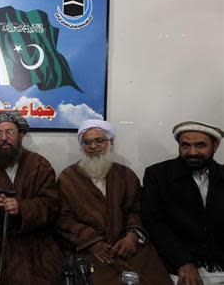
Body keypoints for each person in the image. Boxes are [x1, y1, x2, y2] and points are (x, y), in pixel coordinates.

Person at [56, 119, 172, 285]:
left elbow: (137, 209)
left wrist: (132, 235)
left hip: (127, 245)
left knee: (151, 276)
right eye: (87, 142)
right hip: (89, 247)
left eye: (99, 140)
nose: (93, 146)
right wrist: (92, 242)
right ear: (82, 147)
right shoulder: (68, 177)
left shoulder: (126, 175)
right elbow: (63, 218)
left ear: (111, 143)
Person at [0, 111, 65, 285]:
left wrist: (21, 208)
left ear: (21, 135)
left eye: (10, 132)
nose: (4, 138)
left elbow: (51, 204)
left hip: (33, 247)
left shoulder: (39, 165)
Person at [142, 121, 224, 285]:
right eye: (185, 145)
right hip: (176, 267)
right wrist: (183, 262)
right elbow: (154, 223)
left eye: (200, 145)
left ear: (215, 145)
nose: (192, 152)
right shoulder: (158, 175)